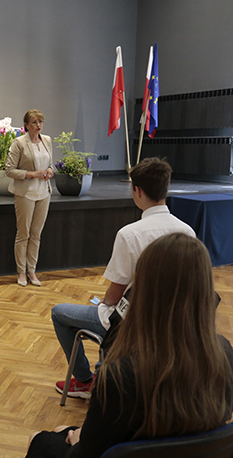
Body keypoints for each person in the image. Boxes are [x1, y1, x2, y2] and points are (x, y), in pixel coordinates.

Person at [6, 233, 233, 458]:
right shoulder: (223, 355)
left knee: (42, 441)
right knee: (65, 436)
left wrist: (78, 439)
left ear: (145, 289)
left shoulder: (121, 374)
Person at [52, 157, 195, 398]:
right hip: (174, 321)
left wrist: (103, 304)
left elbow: (114, 295)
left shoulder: (130, 234)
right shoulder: (187, 231)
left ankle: (85, 380)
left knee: (59, 313)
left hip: (132, 322)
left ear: (137, 191)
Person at [5, 109, 54, 287]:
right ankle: (21, 272)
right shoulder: (19, 143)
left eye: (41, 122)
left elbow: (50, 164)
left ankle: (32, 271)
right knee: (23, 234)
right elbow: (9, 170)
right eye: (34, 122)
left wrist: (50, 171)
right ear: (26, 125)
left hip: (44, 193)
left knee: (36, 235)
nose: (38, 125)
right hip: (25, 193)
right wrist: (33, 174)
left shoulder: (47, 140)